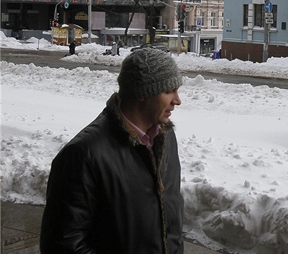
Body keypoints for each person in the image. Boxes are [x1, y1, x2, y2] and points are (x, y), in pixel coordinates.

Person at [40, 48, 185, 254]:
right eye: (169, 90)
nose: (177, 100)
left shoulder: (166, 137)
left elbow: (171, 218)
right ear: (143, 92)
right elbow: (63, 245)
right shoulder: (83, 155)